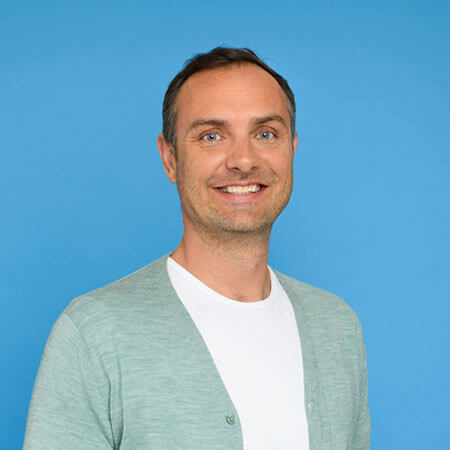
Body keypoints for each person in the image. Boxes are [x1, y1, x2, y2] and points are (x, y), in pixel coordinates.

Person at [24, 47, 370, 450]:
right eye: (211, 136)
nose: (244, 160)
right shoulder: (94, 334)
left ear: (292, 148)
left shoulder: (337, 327)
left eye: (265, 133)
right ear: (170, 159)